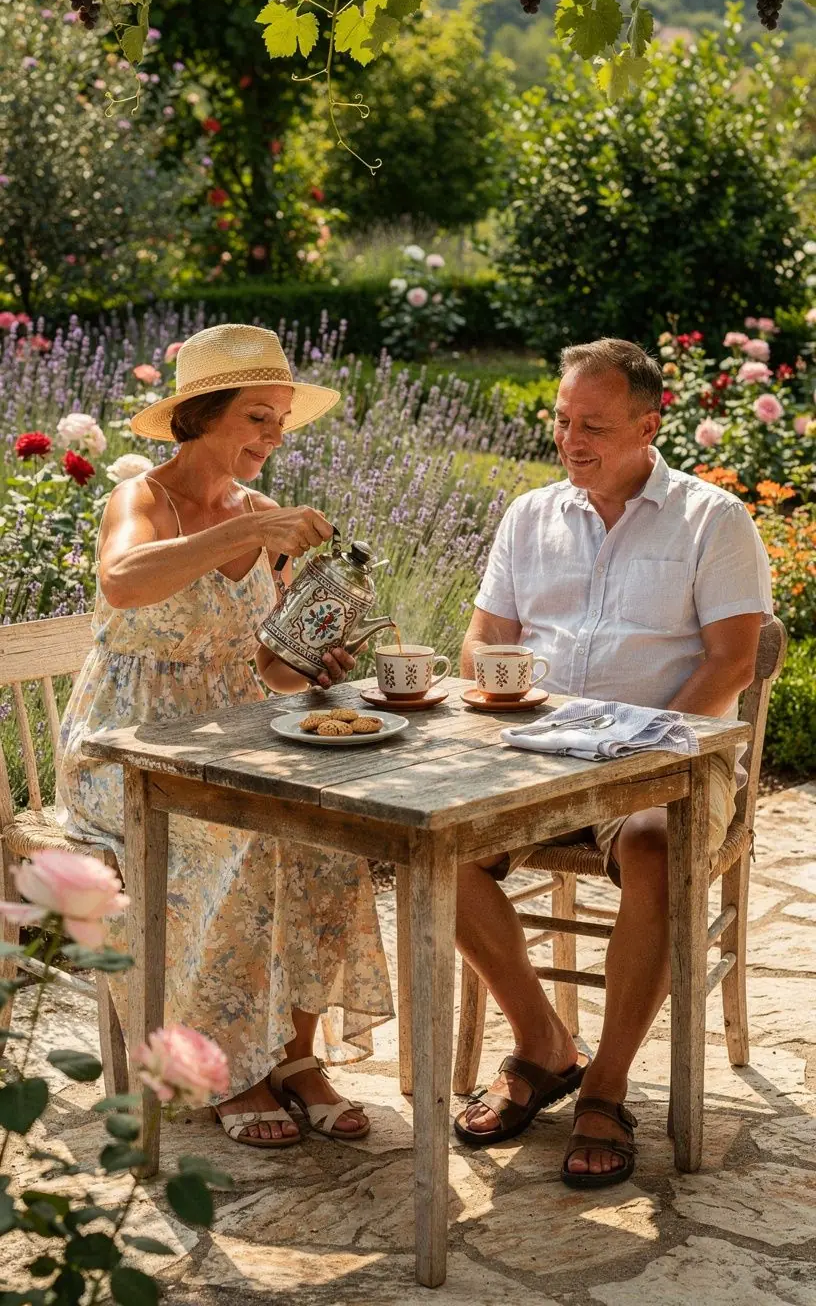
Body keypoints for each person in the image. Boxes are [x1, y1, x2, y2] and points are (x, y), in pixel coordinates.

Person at [56, 324, 394, 1149]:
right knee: (236, 841)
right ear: (203, 415)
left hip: (230, 740)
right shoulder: (140, 497)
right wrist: (245, 533)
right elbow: (123, 582)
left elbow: (269, 669)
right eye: (257, 417)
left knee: (332, 838)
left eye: (281, 419)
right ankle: (222, 1068)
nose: (275, 437)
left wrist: (312, 660)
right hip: (125, 750)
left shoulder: (264, 515)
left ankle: (295, 1057)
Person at [454, 337, 772, 1188]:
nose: (570, 439)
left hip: (666, 759)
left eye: (592, 423)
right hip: (535, 756)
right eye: (561, 420)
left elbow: (733, 661)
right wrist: (498, 694)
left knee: (655, 844)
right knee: (431, 845)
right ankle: (543, 1042)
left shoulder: (713, 518)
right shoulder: (529, 516)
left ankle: (607, 1083)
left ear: (648, 423)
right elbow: (484, 638)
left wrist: (631, 749)